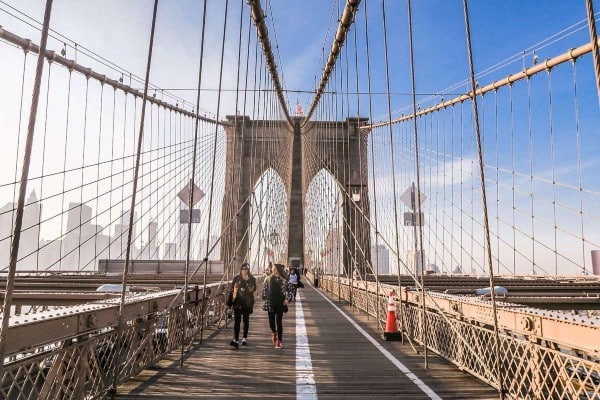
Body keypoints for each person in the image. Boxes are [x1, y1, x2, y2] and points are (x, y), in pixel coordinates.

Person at [261, 263, 291, 349]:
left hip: (280, 303)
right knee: (271, 324)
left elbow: (291, 290)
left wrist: (287, 299)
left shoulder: (284, 280)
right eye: (272, 269)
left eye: (274, 268)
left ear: (277, 269)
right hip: (271, 303)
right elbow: (265, 289)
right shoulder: (268, 279)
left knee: (279, 322)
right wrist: (265, 297)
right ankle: (274, 332)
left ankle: (279, 342)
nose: (272, 270)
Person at [228, 262, 257, 349]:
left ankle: (244, 338)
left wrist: (251, 288)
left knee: (246, 321)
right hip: (238, 303)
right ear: (241, 269)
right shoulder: (236, 278)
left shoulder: (252, 279)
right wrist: (229, 304)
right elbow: (231, 291)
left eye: (246, 269)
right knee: (237, 322)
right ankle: (236, 340)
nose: (244, 270)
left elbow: (254, 289)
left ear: (248, 270)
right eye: (243, 269)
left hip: (247, 303)